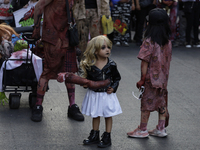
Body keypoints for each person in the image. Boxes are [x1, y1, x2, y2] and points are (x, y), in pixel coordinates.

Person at [31, 0, 84, 122]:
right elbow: (39, 6)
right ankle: (38, 106)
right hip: (53, 38)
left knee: (69, 73)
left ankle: (72, 106)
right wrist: (37, 28)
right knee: (47, 72)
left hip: (67, 37)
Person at [127, 8, 172, 138]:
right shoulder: (168, 42)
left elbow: (144, 62)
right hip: (163, 80)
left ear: (149, 24)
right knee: (161, 102)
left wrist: (142, 79)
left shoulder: (149, 41)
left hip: (150, 80)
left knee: (146, 103)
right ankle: (161, 128)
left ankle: (143, 129)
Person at [79, 35, 122, 148]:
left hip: (107, 94)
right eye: (103, 48)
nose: (107, 50)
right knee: (96, 114)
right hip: (95, 94)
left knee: (108, 115)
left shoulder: (111, 65)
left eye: (108, 47)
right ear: (96, 51)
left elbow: (117, 78)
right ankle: (95, 134)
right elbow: (87, 79)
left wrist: (113, 87)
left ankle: (107, 136)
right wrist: (85, 84)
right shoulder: (90, 65)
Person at [0, 23, 19, 104]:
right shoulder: (4, 43)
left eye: (7, 33)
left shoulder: (11, 41)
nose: (7, 35)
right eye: (4, 33)